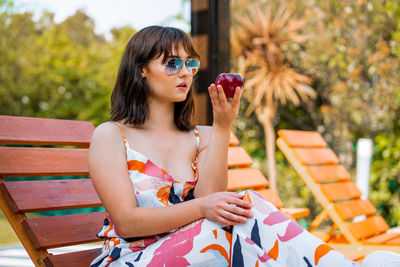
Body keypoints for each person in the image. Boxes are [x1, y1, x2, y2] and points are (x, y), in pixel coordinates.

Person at [88, 26, 400, 267]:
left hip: (199, 248)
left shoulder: (203, 136)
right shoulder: (112, 136)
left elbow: (214, 201)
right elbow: (127, 223)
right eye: (172, 64)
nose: (185, 72)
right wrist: (200, 207)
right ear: (141, 69)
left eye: (190, 63)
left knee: (244, 205)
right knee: (221, 234)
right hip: (131, 258)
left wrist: (223, 127)